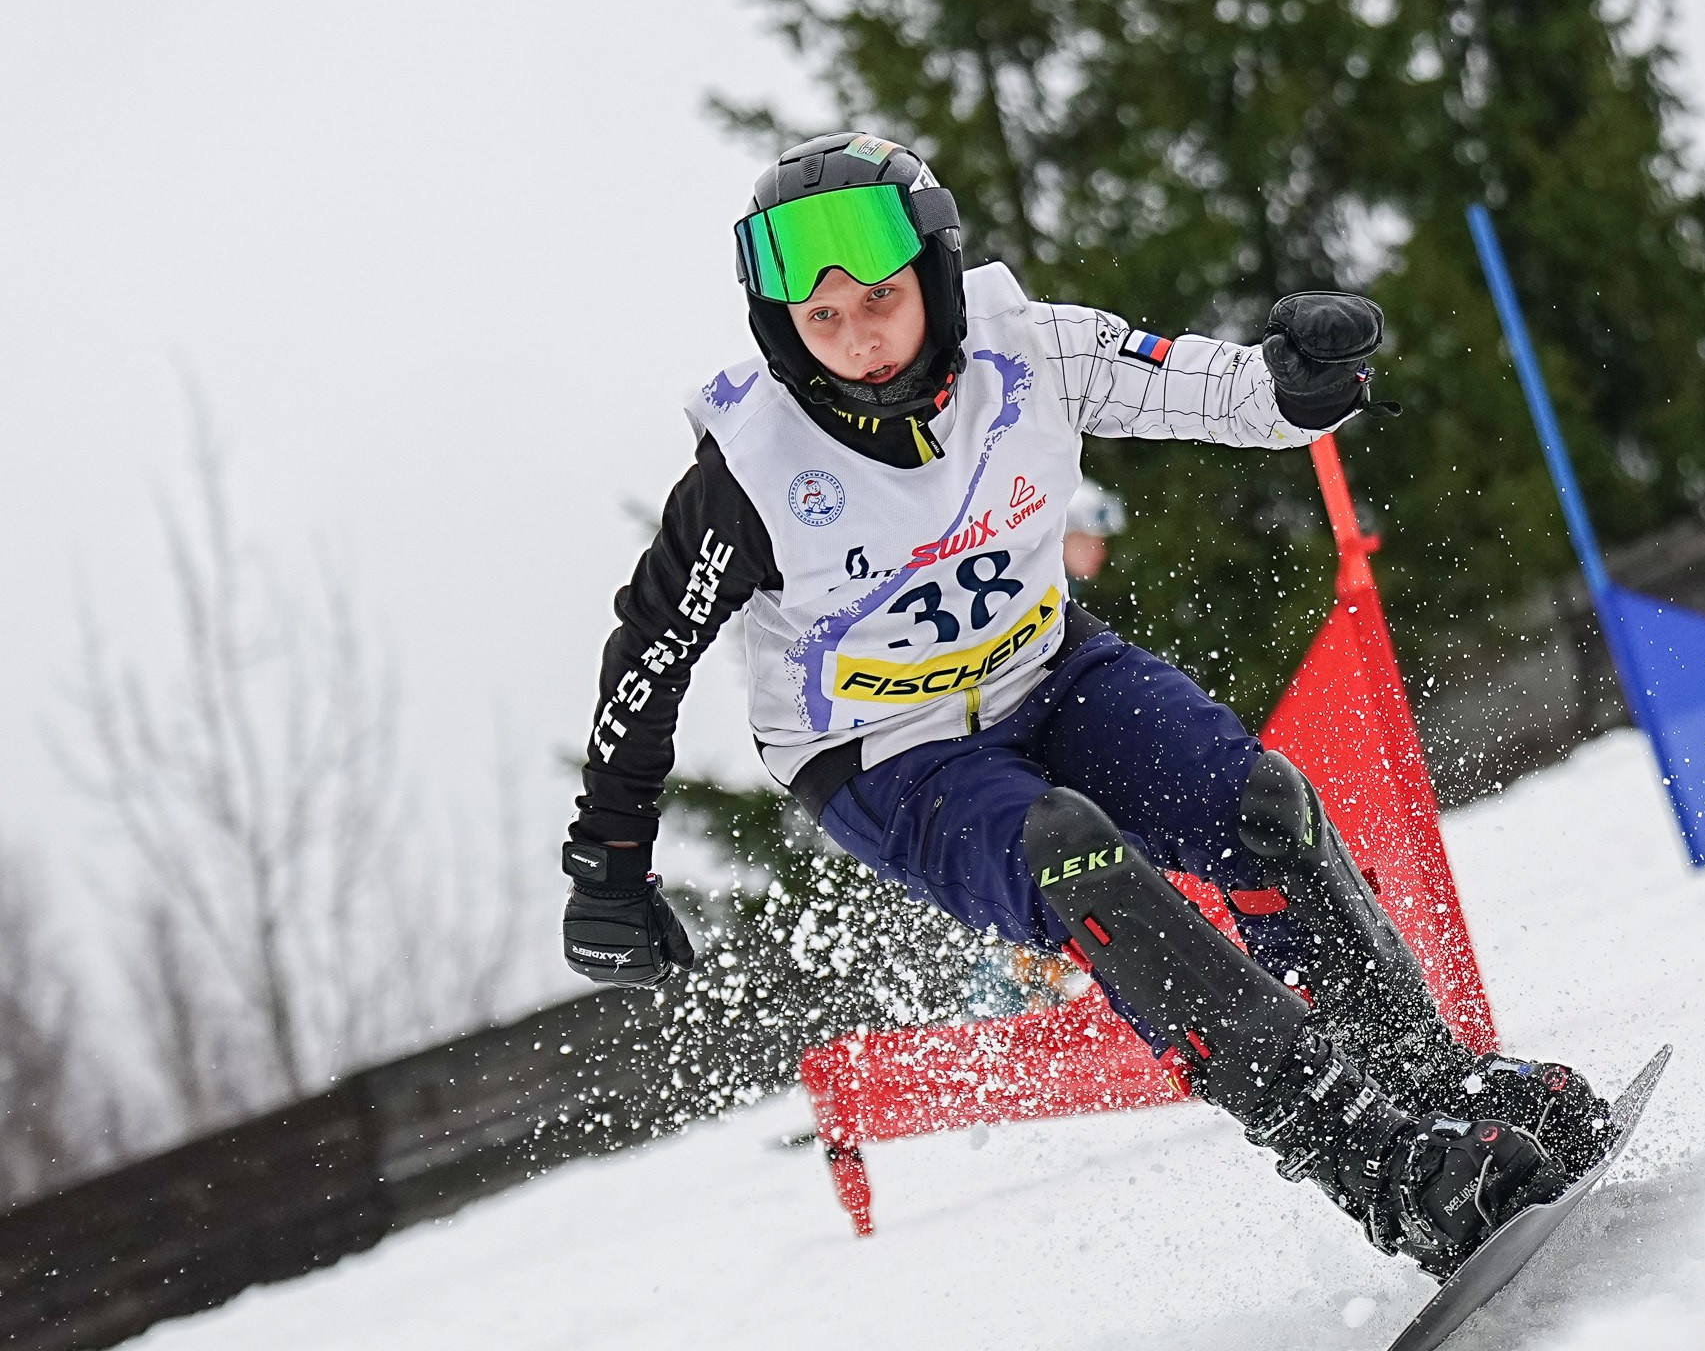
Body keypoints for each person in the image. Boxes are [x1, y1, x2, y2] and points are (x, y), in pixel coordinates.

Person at [560, 131, 1612, 1277]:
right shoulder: (748, 475)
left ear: (934, 275)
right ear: (781, 331)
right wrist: (608, 854)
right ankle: (1372, 1159)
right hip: (882, 756)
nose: (859, 339)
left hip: (1048, 670)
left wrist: (1300, 385)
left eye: (880, 298)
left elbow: (1213, 388)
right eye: (822, 323)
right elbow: (651, 650)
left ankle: (1429, 1086)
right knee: (1073, 854)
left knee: (1259, 808)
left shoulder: (1027, 351)